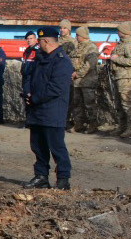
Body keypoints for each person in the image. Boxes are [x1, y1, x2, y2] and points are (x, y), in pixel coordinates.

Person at [24, 28, 74, 189]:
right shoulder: (40, 58)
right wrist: (28, 92)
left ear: (46, 41)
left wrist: (36, 98)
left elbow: (56, 88)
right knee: (38, 146)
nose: (38, 44)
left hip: (53, 111)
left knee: (57, 147)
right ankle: (41, 176)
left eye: (39, 41)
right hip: (37, 111)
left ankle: (63, 179)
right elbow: (29, 76)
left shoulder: (62, 61)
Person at [109, 22, 131, 137]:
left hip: (126, 76)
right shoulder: (121, 44)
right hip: (119, 75)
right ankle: (122, 126)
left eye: (119, 30)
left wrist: (116, 59)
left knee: (127, 101)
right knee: (118, 102)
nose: (118, 32)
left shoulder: (130, 44)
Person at [70, 27, 100, 133]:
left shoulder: (91, 48)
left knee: (89, 104)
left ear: (82, 36)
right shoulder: (77, 47)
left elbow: (89, 65)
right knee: (77, 104)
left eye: (77, 35)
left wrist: (77, 74)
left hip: (88, 80)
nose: (76, 37)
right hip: (77, 81)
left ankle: (93, 125)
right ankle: (79, 124)